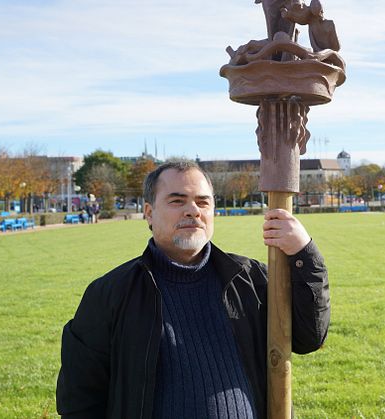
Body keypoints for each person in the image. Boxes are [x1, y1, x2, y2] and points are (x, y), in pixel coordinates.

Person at [56, 160, 330, 418]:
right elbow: (80, 400)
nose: (193, 210)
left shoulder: (251, 280)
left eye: (202, 202)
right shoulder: (109, 294)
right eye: (177, 201)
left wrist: (304, 252)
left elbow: (309, 337)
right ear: (149, 213)